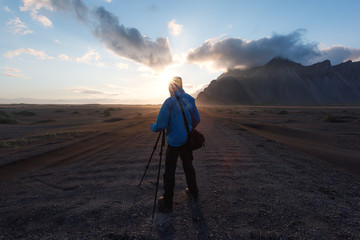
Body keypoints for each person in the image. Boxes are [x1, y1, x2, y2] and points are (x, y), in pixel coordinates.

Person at [151, 76, 200, 212]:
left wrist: (152, 127)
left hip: (173, 143)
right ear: (181, 85)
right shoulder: (189, 99)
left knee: (170, 172)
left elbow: (160, 125)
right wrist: (188, 129)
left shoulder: (169, 102)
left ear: (170, 87)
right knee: (188, 167)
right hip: (186, 142)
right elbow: (197, 118)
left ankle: (167, 203)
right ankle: (194, 193)